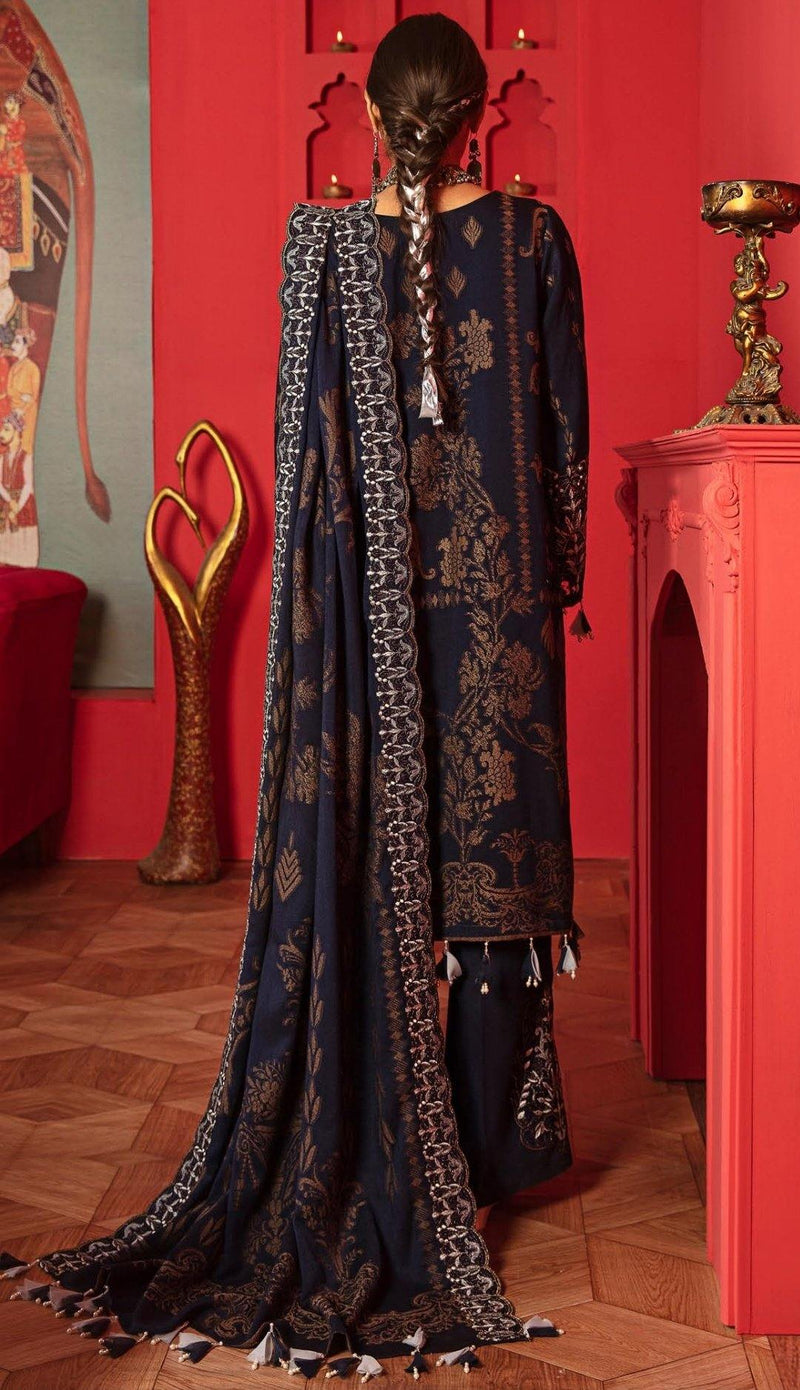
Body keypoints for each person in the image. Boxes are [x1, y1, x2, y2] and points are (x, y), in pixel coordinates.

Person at [2, 13, 589, 1377]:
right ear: (482, 116)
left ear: (375, 120)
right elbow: (559, 441)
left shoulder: (322, 249)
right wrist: (549, 579)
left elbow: (314, 460)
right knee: (494, 886)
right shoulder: (534, 240)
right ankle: (477, 1168)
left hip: (363, 644)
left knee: (381, 871)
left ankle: (381, 1141)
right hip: (495, 626)